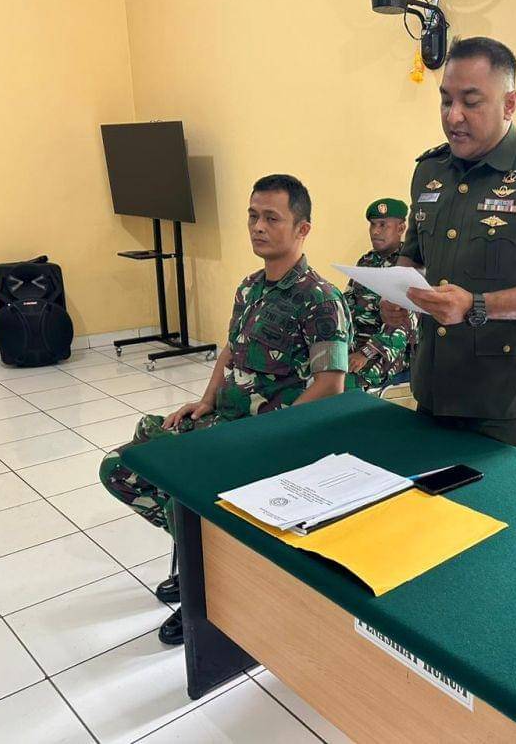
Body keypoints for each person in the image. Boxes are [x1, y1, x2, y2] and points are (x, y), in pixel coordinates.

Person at [99, 174, 351, 644]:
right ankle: (202, 561)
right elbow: (230, 352)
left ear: (302, 229)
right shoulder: (250, 287)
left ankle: (204, 591)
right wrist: (206, 399)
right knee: (121, 467)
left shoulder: (320, 299)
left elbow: (330, 385)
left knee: (185, 490)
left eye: (271, 218)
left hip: (268, 439)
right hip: (225, 423)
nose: (257, 227)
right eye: (253, 216)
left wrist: (270, 437)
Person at [380, 36, 516, 452]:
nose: (453, 116)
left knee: (497, 496)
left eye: (471, 102)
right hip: (433, 383)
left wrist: (476, 305)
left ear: (509, 104)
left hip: (503, 398)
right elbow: (413, 254)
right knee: (424, 491)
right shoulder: (430, 170)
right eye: (446, 100)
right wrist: (396, 293)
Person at [344, 198, 417, 390]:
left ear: (401, 228)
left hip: (390, 350)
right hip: (356, 344)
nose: (375, 231)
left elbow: (403, 324)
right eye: (373, 225)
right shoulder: (366, 261)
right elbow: (347, 303)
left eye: (383, 225)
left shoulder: (410, 265)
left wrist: (366, 353)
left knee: (349, 384)